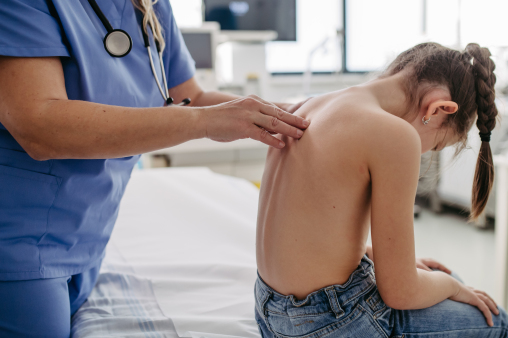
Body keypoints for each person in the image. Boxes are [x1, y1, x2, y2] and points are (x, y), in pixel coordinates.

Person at [0, 0, 310, 336]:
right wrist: (203, 122)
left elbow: (189, 95)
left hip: (88, 242)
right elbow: (38, 126)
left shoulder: (151, 6)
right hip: (20, 245)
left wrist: (297, 113)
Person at [254, 43, 508, 337]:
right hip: (329, 322)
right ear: (439, 108)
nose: (426, 152)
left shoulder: (312, 104)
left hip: (270, 312)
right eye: (437, 145)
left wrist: (374, 254)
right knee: (496, 320)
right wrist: (453, 287)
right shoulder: (394, 134)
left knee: (442, 277)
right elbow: (401, 292)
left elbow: (309, 233)